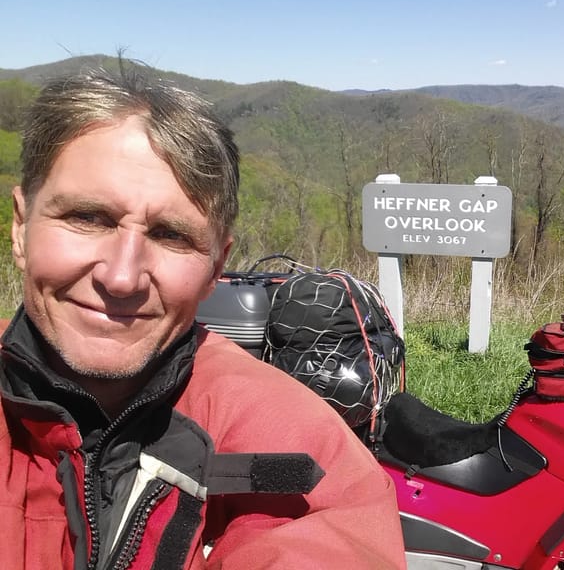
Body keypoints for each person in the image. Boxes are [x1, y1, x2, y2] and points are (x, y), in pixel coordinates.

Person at [0, 67, 406, 569]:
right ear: (21, 228)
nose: (123, 277)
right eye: (87, 218)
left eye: (171, 235)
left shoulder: (306, 449)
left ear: (217, 268)